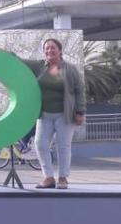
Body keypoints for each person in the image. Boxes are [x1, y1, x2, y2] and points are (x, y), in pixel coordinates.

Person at [22, 38, 85, 189]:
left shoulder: (70, 69)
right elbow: (21, 62)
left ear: (60, 50)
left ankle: (63, 178)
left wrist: (80, 112)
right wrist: (5, 53)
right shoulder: (39, 66)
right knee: (40, 145)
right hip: (44, 114)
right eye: (47, 48)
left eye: (53, 48)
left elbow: (79, 91)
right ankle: (48, 177)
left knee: (63, 147)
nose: (49, 50)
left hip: (65, 114)